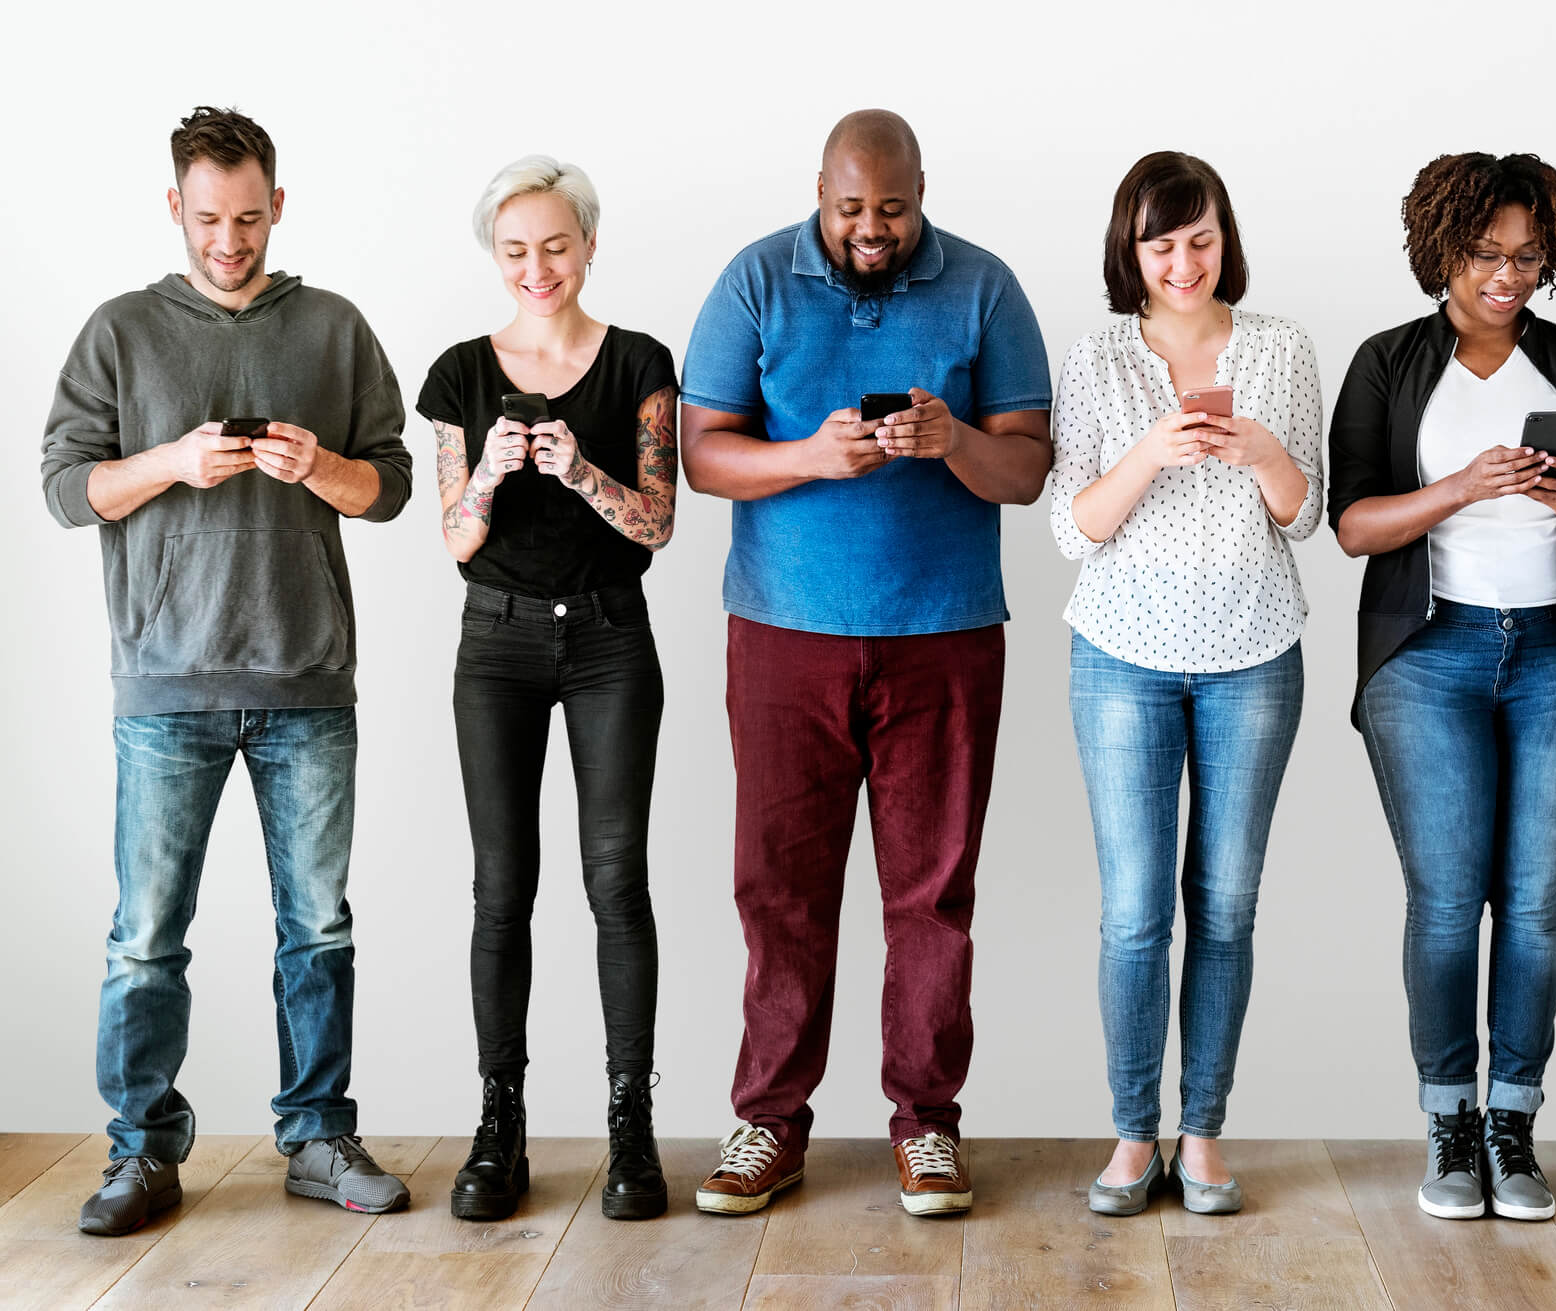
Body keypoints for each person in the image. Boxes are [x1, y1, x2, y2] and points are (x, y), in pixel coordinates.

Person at [41, 106, 415, 1235]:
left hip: (308, 683)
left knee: (319, 929)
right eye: (209, 219)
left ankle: (316, 1136)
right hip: (166, 687)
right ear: (175, 209)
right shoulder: (119, 332)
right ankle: (142, 1152)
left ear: (278, 206)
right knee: (146, 936)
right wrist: (168, 460)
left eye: (249, 218)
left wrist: (323, 467)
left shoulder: (334, 328)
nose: (230, 240)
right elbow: (67, 490)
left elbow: (390, 485)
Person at [679, 109, 1051, 1218]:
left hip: (942, 635)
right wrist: (806, 455)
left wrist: (954, 444)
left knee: (930, 893)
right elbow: (701, 456)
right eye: (850, 209)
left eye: (890, 208)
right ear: (821, 193)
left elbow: (1025, 470)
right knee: (778, 888)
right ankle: (767, 1122)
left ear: (921, 190)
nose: (871, 229)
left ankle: (925, 1128)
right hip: (783, 637)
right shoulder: (754, 280)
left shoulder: (983, 287)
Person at [1328, 152, 1556, 1222]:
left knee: (1534, 908)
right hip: (1427, 657)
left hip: (1552, 657)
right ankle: (1447, 1124)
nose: (1504, 277)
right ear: (1440, 252)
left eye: (1524, 257)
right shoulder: (1387, 362)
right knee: (1446, 903)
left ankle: (1511, 1124)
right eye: (1482, 256)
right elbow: (1351, 527)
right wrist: (1459, 487)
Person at [1050, 151, 1322, 1217]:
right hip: (1119, 655)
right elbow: (1073, 529)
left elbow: (1304, 515)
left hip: (1252, 651)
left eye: (1199, 238)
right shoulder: (1097, 356)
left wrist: (1257, 450)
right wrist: (1151, 452)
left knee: (1224, 905)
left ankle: (1201, 1133)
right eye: (1160, 242)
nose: (1181, 261)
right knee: (1131, 913)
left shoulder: (1281, 349)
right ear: (1130, 249)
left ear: (1226, 239)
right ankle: (1131, 1133)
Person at [416, 156, 680, 1222]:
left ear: (588, 244)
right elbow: (455, 537)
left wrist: (577, 469)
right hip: (497, 645)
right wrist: (488, 467)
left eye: (555, 245)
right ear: (496, 254)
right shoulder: (457, 375)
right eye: (516, 249)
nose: (537, 267)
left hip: (612, 638)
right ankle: (499, 1128)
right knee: (499, 887)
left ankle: (631, 1129)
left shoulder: (639, 364)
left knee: (615, 880)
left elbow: (657, 524)